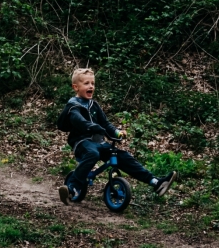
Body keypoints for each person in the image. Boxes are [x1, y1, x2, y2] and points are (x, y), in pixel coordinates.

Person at [56, 68, 177, 205]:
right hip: (82, 142)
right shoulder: (74, 105)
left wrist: (116, 132)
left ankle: (156, 182)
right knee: (92, 154)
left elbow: (106, 124)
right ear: (76, 87)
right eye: (86, 83)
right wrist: (90, 126)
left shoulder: (94, 105)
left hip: (98, 142)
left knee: (122, 156)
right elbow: (77, 119)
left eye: (93, 83)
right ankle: (71, 188)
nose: (91, 86)